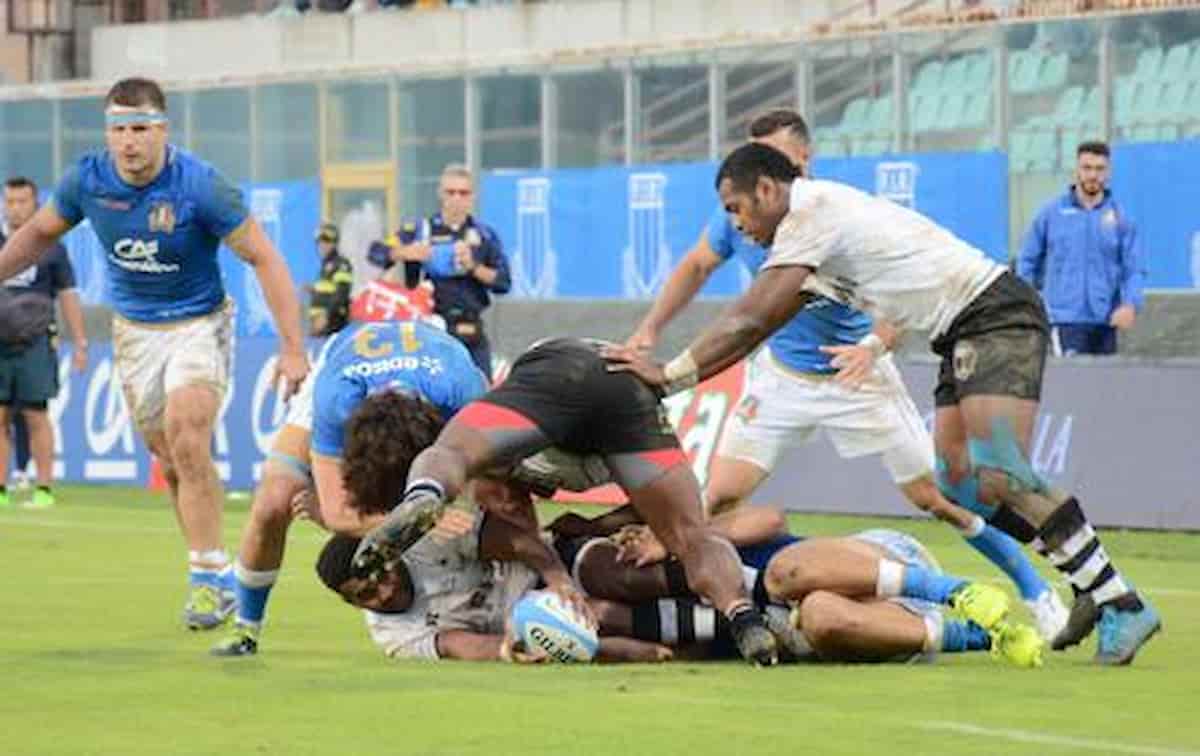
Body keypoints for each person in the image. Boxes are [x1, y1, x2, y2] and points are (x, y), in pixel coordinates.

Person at [603, 143, 1161, 666]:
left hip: (994, 315)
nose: (737, 225)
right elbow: (755, 317)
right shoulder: (803, 236)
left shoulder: (810, 213)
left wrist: (671, 375)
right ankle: (1089, 584)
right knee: (961, 485)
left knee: (1006, 473)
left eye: (737, 208)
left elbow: (750, 319)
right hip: (954, 333)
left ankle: (1123, 602)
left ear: (769, 190)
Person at [0, 78, 309, 630]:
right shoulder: (86, 182)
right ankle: (210, 568)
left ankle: (208, 574)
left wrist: (291, 348)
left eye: (140, 128)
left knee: (187, 428)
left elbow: (265, 258)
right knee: (171, 458)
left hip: (199, 323)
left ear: (163, 130)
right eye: (118, 130)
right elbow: (38, 235)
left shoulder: (200, 186)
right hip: (134, 333)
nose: (128, 142)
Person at [352, 337, 781, 666]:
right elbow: (651, 508)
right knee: (691, 536)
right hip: (617, 382)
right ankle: (740, 613)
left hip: (551, 390)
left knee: (453, 456)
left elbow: (517, 526)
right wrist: (598, 528)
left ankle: (425, 492)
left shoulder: (492, 458)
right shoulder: (473, 398)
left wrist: (557, 567)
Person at [211, 319, 487, 656]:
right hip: (347, 362)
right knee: (275, 498)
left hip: (437, 368)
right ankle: (246, 628)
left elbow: (492, 482)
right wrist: (424, 520)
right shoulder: (335, 398)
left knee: (484, 498)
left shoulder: (464, 391)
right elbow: (339, 515)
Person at [559, 505, 1043, 667]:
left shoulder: (700, 538)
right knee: (816, 618)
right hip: (878, 626)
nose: (632, 556)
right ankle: (982, 638)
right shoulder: (691, 621)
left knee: (781, 575)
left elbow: (771, 517)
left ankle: (955, 590)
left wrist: (676, 538)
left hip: (880, 562)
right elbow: (673, 649)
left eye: (630, 542)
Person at [368, 164, 510, 378]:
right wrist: (407, 252)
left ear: (473, 196)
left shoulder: (484, 235)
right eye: (450, 192)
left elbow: (503, 282)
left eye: (463, 193)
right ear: (440, 194)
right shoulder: (420, 230)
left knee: (480, 395)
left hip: (471, 327)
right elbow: (376, 252)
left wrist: (473, 267)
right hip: (431, 327)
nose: (456, 199)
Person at [0, 177, 88, 509]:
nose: (15, 208)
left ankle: (44, 488)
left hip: (35, 340)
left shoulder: (51, 247)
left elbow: (67, 295)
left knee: (37, 414)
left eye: (22, 201)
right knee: (1, 416)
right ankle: (1, 490)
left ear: (35, 204)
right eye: (9, 201)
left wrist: (79, 342)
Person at [1017, 141, 1143, 356]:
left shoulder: (1122, 218)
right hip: (1064, 321)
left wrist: (1130, 304)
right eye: (1087, 168)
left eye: (1099, 169)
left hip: (1106, 322)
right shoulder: (1051, 214)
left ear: (1109, 172)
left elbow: (1133, 269)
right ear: (1076, 170)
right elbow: (1027, 262)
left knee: (1106, 387)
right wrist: (1029, 303)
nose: (1093, 175)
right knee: (1071, 385)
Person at [307, 222, 354, 338]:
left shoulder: (341, 264)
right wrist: (314, 290)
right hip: (321, 328)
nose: (322, 245)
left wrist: (325, 317)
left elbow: (342, 293)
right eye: (319, 242)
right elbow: (329, 291)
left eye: (327, 241)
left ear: (335, 243)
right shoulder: (326, 266)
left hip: (333, 327)